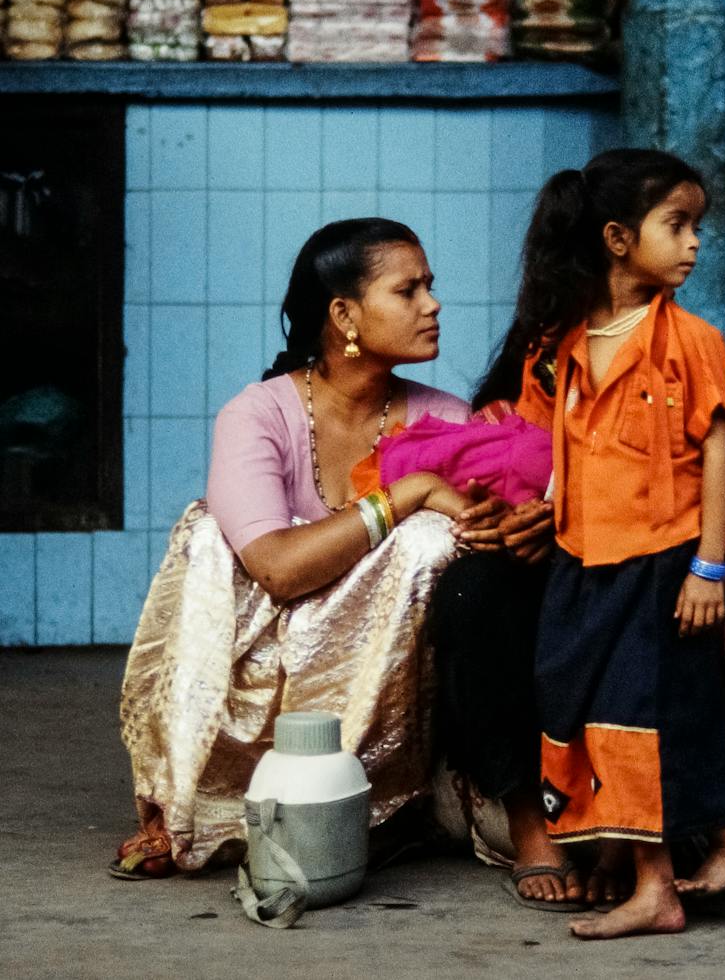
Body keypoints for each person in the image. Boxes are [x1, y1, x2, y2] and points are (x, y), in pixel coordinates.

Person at [112, 218, 550, 879]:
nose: (433, 305)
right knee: (205, 533)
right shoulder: (257, 415)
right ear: (344, 314)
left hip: (397, 707)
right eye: (409, 291)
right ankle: (193, 796)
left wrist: (522, 526)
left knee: (443, 544)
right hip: (261, 681)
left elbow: (484, 580)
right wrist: (409, 494)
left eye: (431, 287)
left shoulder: (447, 419)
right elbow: (278, 569)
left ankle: (391, 800)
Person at [500, 148, 725, 939]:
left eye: (697, 227)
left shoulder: (691, 339)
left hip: (663, 562)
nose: (693, 244)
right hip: (584, 563)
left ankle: (662, 885)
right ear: (618, 239)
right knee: (588, 711)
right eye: (676, 225)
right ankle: (713, 842)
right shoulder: (562, 345)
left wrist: (709, 566)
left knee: (640, 717)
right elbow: (544, 449)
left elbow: (721, 450)